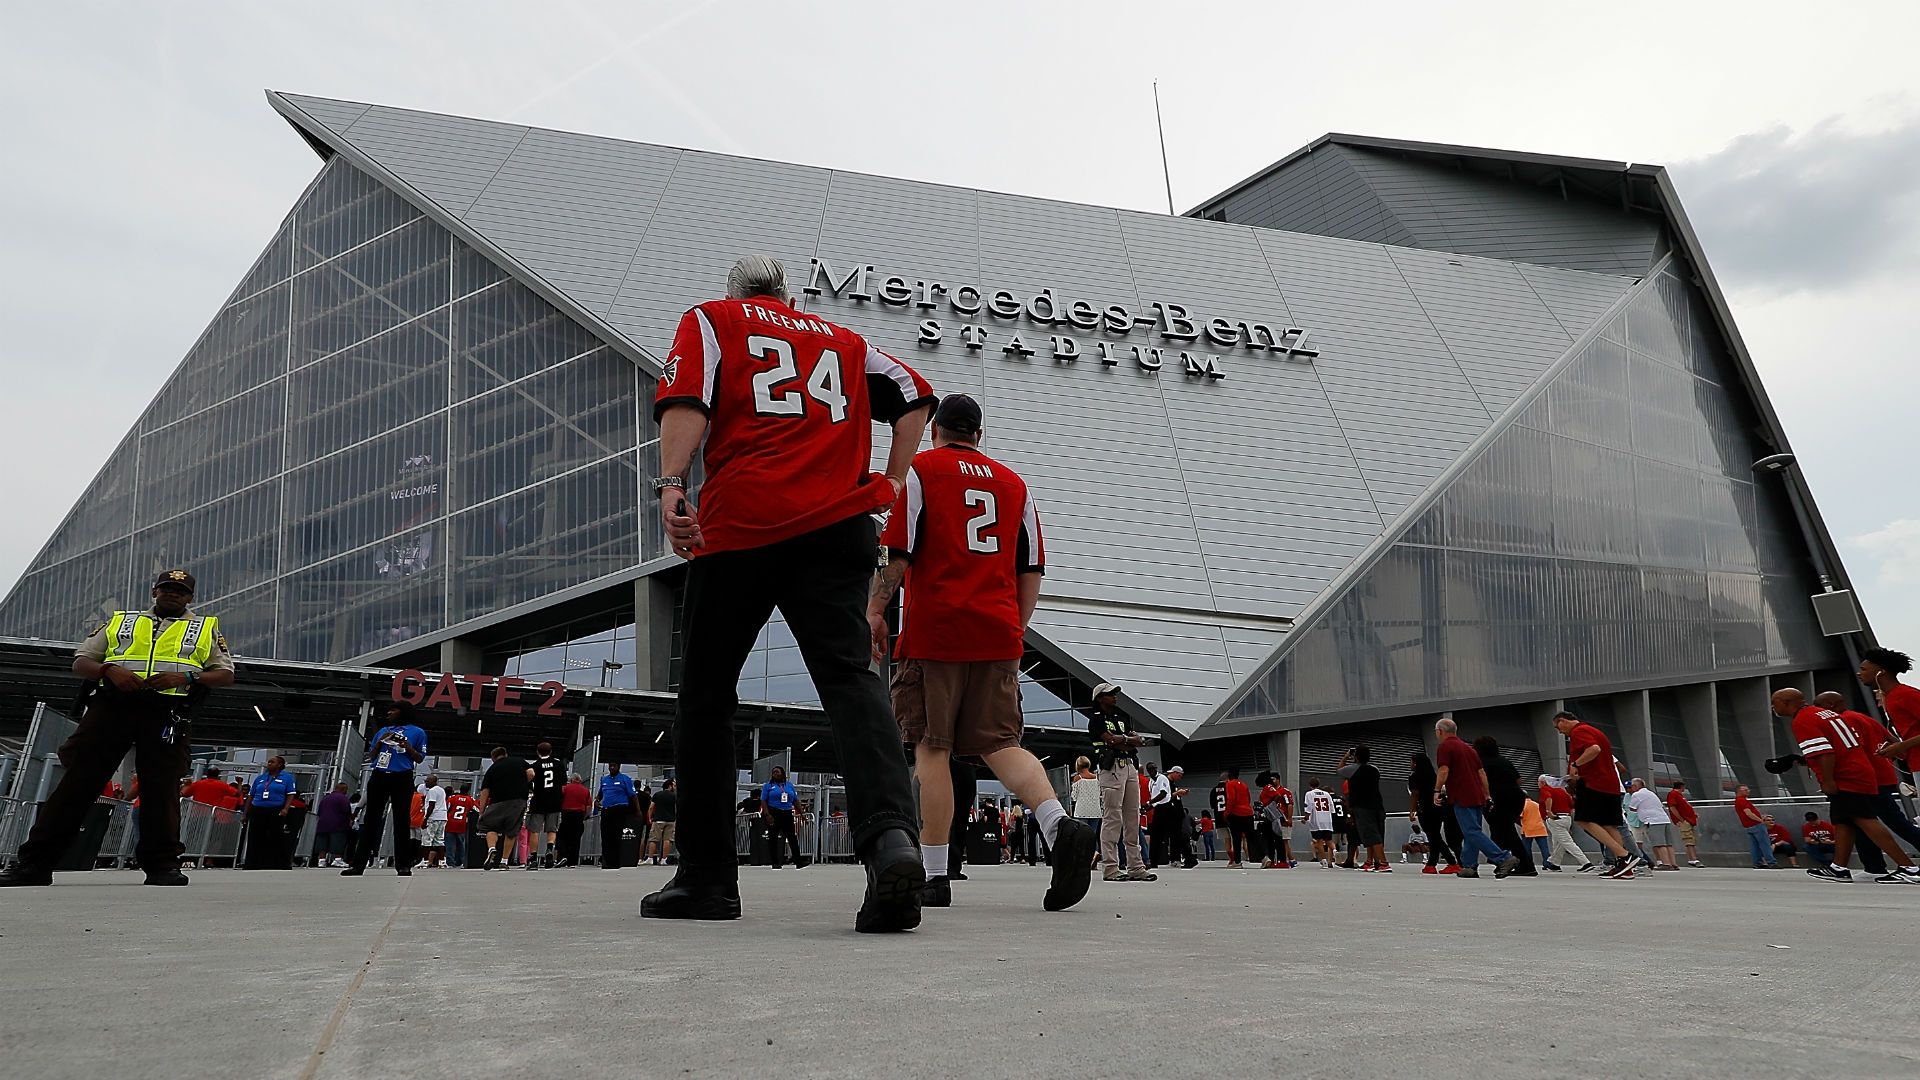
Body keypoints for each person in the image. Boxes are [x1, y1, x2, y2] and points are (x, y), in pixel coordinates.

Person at [644, 255, 935, 931]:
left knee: (708, 697)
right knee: (851, 680)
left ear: (737, 292)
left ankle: (709, 879)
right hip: (838, 525)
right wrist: (891, 481)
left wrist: (671, 484)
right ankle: (891, 840)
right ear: (788, 296)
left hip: (743, 522)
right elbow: (918, 393)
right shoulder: (845, 342)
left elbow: (687, 400)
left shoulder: (711, 321)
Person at [869, 391, 1096, 908]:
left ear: (936, 432)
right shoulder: (1016, 486)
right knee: (1001, 744)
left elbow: (898, 552)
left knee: (933, 748)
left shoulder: (923, 472)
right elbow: (1032, 567)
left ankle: (935, 876)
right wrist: (1013, 629)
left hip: (937, 634)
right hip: (998, 633)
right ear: (978, 435)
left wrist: (876, 609)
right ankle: (1058, 825)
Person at [2, 570, 236, 889]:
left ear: (190, 598)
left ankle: (163, 866)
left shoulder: (205, 628)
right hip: (113, 707)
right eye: (167, 588)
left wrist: (186, 678)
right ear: (154, 591)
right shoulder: (121, 621)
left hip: (166, 711)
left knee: (161, 791)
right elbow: (81, 662)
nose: (172, 594)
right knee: (77, 785)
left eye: (180, 591)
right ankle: (34, 864)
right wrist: (108, 670)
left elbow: (224, 674)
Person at [1774, 687, 1920, 883]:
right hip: (1862, 771)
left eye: (1774, 703)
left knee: (1866, 819)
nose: (1773, 707)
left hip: (1846, 776)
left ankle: (1908, 868)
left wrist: (1828, 781)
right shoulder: (1826, 714)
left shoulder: (1803, 720)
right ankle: (1839, 868)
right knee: (1844, 820)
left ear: (1785, 702)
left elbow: (1825, 753)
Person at [1815, 690, 1920, 866]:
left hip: (1868, 780)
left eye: (1818, 708)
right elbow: (1896, 744)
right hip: (1884, 776)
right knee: (1862, 821)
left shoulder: (1843, 722)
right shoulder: (1864, 718)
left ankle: (1880, 866)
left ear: (1830, 706)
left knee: (1888, 822)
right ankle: (1873, 867)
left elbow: (1847, 752)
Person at [344, 702, 427, 877]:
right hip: (379, 775)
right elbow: (371, 756)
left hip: (402, 776)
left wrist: (407, 747)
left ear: (403, 712)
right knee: (370, 819)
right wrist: (380, 743)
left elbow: (419, 758)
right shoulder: (383, 730)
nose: (389, 712)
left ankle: (403, 865)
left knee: (401, 820)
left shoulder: (417, 732)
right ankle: (358, 864)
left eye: (393, 709)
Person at [1552, 711, 1635, 879]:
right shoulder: (1594, 730)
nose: (1559, 732)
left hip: (1594, 783)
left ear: (1563, 720)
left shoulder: (1579, 731)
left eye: (1557, 727)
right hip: (1610, 784)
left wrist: (1576, 764)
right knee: (1609, 824)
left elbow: (1594, 749)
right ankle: (1624, 867)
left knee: (1584, 819)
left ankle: (1625, 855)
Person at [1433, 718, 1519, 879]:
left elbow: (1443, 770)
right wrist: (1486, 794)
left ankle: (1504, 858)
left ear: (1440, 731)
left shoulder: (1445, 746)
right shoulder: (1469, 749)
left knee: (1471, 831)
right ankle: (1469, 866)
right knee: (1472, 831)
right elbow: (1481, 773)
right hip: (1477, 795)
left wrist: (1436, 790)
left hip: (1461, 794)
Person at [1088, 683, 1153, 882]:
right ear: (1100, 698)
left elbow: (1137, 740)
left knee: (1133, 816)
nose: (1115, 697)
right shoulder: (1096, 720)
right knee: (1112, 817)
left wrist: (1122, 738)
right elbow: (1110, 740)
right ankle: (1110, 868)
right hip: (1112, 767)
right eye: (1110, 694)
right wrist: (1127, 740)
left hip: (1130, 767)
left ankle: (1136, 866)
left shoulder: (1122, 717)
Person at [1473, 736, 1535, 877]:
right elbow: (1519, 780)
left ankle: (1525, 865)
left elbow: (1480, 782)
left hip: (1498, 799)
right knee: (1501, 831)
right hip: (1516, 798)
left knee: (1506, 832)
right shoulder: (1504, 761)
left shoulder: (1481, 763)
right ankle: (1504, 862)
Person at [475, 745, 533, 871]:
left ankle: (492, 848)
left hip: (498, 802)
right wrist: (523, 783)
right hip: (518, 801)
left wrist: (482, 811)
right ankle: (504, 861)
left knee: (489, 826)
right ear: (505, 754)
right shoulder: (519, 761)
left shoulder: (492, 768)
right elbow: (531, 773)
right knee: (511, 831)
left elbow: (485, 791)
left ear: (493, 758)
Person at [243, 757, 298, 870]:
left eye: (272, 762)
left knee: (276, 835)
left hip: (276, 809)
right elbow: (251, 795)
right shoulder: (261, 778)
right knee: (255, 836)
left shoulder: (287, 778)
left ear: (280, 765)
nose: (269, 764)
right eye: (269, 762)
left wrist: (285, 809)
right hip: (258, 808)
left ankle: (280, 863)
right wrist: (245, 813)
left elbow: (290, 794)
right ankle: (253, 863)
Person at [1409, 754, 1459, 874]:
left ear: (1416, 764)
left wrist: (1412, 810)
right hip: (1438, 807)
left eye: (1411, 762)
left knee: (1434, 837)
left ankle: (1452, 862)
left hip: (1425, 809)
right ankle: (1431, 864)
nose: (1410, 764)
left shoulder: (1415, 777)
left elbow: (1415, 794)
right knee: (1434, 835)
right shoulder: (1433, 776)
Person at [1345, 746, 1389, 872]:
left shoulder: (1353, 771)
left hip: (1363, 807)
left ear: (1356, 757)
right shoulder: (1374, 770)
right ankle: (1372, 861)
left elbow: (1339, 769)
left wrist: (1346, 756)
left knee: (1372, 835)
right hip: (1377, 805)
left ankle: (1383, 862)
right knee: (1376, 835)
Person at [525, 741, 566, 870]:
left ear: (538, 752)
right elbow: (563, 784)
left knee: (535, 830)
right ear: (551, 751)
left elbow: (529, 781)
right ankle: (549, 850)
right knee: (551, 829)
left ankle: (533, 857)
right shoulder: (558, 764)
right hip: (554, 801)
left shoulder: (535, 766)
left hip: (539, 800)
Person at [1624, 778, 1678, 871]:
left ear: (1635, 786)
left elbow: (1632, 808)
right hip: (1664, 819)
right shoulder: (1650, 793)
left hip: (1653, 820)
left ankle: (1666, 863)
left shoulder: (1637, 795)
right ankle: (1673, 863)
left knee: (1659, 843)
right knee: (1668, 843)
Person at [761, 765, 807, 869]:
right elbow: (763, 801)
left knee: (792, 837)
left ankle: (798, 861)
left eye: (777, 772)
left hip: (787, 813)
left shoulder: (789, 785)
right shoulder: (768, 786)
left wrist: (802, 814)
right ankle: (775, 862)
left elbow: (795, 800)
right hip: (774, 812)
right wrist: (767, 814)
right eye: (773, 772)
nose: (775, 774)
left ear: (782, 773)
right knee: (773, 838)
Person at [596, 763, 639, 870]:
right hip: (606, 809)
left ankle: (615, 862)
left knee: (616, 835)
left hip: (619, 809)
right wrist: (596, 802)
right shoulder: (604, 780)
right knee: (605, 836)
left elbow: (633, 796)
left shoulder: (625, 779)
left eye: (614, 766)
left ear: (618, 767)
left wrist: (638, 811)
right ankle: (606, 862)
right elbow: (600, 793)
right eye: (610, 766)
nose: (612, 768)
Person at [1218, 767, 1255, 869]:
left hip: (1236, 814)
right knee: (1251, 837)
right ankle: (1265, 857)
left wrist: (1226, 813)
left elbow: (1231, 799)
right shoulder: (1244, 784)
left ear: (1229, 775)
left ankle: (1237, 861)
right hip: (1248, 813)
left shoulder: (1230, 784)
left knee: (1236, 838)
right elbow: (1248, 798)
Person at [313, 782, 355, 868]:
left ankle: (321, 860)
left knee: (322, 842)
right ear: (343, 790)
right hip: (338, 824)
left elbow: (319, 811)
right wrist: (351, 819)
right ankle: (337, 860)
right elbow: (346, 811)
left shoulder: (325, 798)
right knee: (338, 842)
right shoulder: (343, 798)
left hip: (322, 824)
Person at [1259, 772, 1295, 869]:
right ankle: (1285, 859)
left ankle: (1284, 860)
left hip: (1276, 816)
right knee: (1276, 839)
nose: (1272, 781)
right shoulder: (1269, 788)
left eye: (1274, 779)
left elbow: (1289, 804)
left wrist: (1289, 818)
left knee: (1281, 839)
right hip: (1272, 817)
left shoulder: (1276, 789)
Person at [1732, 785, 1773, 869]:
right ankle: (1771, 862)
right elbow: (1749, 813)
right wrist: (1761, 821)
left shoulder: (1737, 801)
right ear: (1739, 791)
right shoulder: (1742, 801)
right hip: (1756, 825)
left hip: (1748, 826)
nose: (1748, 791)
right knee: (1765, 844)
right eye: (1745, 790)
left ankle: (1757, 862)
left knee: (1754, 846)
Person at [1666, 781, 1704, 867]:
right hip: (1685, 821)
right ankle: (1693, 859)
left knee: (1691, 840)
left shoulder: (1679, 795)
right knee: (1689, 840)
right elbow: (1672, 807)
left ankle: (1692, 859)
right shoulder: (1673, 794)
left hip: (1689, 820)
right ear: (1682, 787)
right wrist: (1681, 819)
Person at [559, 773, 592, 867]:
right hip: (579, 815)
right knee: (576, 839)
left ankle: (563, 856)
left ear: (571, 780)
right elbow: (589, 806)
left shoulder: (565, 788)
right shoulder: (586, 790)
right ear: (580, 780)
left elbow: (560, 799)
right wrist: (584, 816)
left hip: (566, 814)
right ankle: (573, 861)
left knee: (563, 836)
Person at [417, 774, 448, 868]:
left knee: (426, 839)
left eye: (428, 781)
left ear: (434, 782)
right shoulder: (441, 790)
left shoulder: (432, 791)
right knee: (439, 840)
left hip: (433, 817)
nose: (426, 783)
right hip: (442, 816)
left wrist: (425, 819)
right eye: (426, 781)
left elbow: (431, 805)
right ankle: (442, 862)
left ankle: (425, 861)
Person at [1069, 758, 1103, 845]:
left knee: (1082, 836)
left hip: (1082, 811)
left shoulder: (1078, 778)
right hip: (1095, 811)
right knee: (1093, 835)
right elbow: (1100, 794)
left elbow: (1074, 797)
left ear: (1078, 766)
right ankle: (1094, 855)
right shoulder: (1097, 778)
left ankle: (1083, 856)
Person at [1303, 779, 1337, 867]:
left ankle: (1324, 860)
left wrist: (1305, 818)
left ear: (1310, 785)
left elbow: (1309, 806)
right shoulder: (1327, 794)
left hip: (1316, 820)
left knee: (1319, 841)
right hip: (1327, 820)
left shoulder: (1309, 794)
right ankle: (1334, 851)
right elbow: (1332, 808)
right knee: (1328, 840)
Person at [647, 778, 679, 866]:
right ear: (669, 786)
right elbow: (677, 808)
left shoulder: (657, 795)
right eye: (674, 785)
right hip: (671, 820)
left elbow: (651, 807)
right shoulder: (674, 796)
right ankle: (664, 859)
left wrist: (649, 818)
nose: (675, 787)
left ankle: (650, 858)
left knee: (654, 839)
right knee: (667, 840)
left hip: (658, 820)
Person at [445, 785, 476, 869]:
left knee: (450, 844)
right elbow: (476, 809)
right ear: (468, 790)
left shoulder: (452, 798)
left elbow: (447, 808)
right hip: (462, 823)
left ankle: (450, 862)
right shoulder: (470, 799)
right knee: (461, 844)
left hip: (450, 823)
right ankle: (461, 861)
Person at [1519, 796, 1551, 871]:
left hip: (1528, 829)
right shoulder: (1537, 804)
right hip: (1540, 828)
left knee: (1527, 848)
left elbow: (1520, 816)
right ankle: (1547, 863)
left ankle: (1529, 864)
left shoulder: (1523, 805)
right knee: (1544, 848)